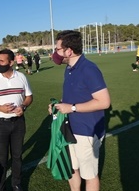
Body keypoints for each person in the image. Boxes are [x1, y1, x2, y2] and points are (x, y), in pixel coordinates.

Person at [49, 30, 110, 191]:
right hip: (70, 128)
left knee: (89, 175)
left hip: (86, 130)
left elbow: (104, 102)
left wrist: (72, 108)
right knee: (72, 168)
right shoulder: (69, 68)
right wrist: (59, 105)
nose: (55, 53)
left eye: (58, 49)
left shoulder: (89, 69)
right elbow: (75, 96)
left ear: (69, 51)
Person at [0, 49, 33, 191]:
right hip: (0, 124)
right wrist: (0, 108)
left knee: (17, 157)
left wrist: (23, 106)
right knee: (2, 160)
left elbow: (29, 97)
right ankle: (1, 187)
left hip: (18, 123)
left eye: (1, 61)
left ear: (11, 62)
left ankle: (16, 185)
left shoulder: (21, 77)